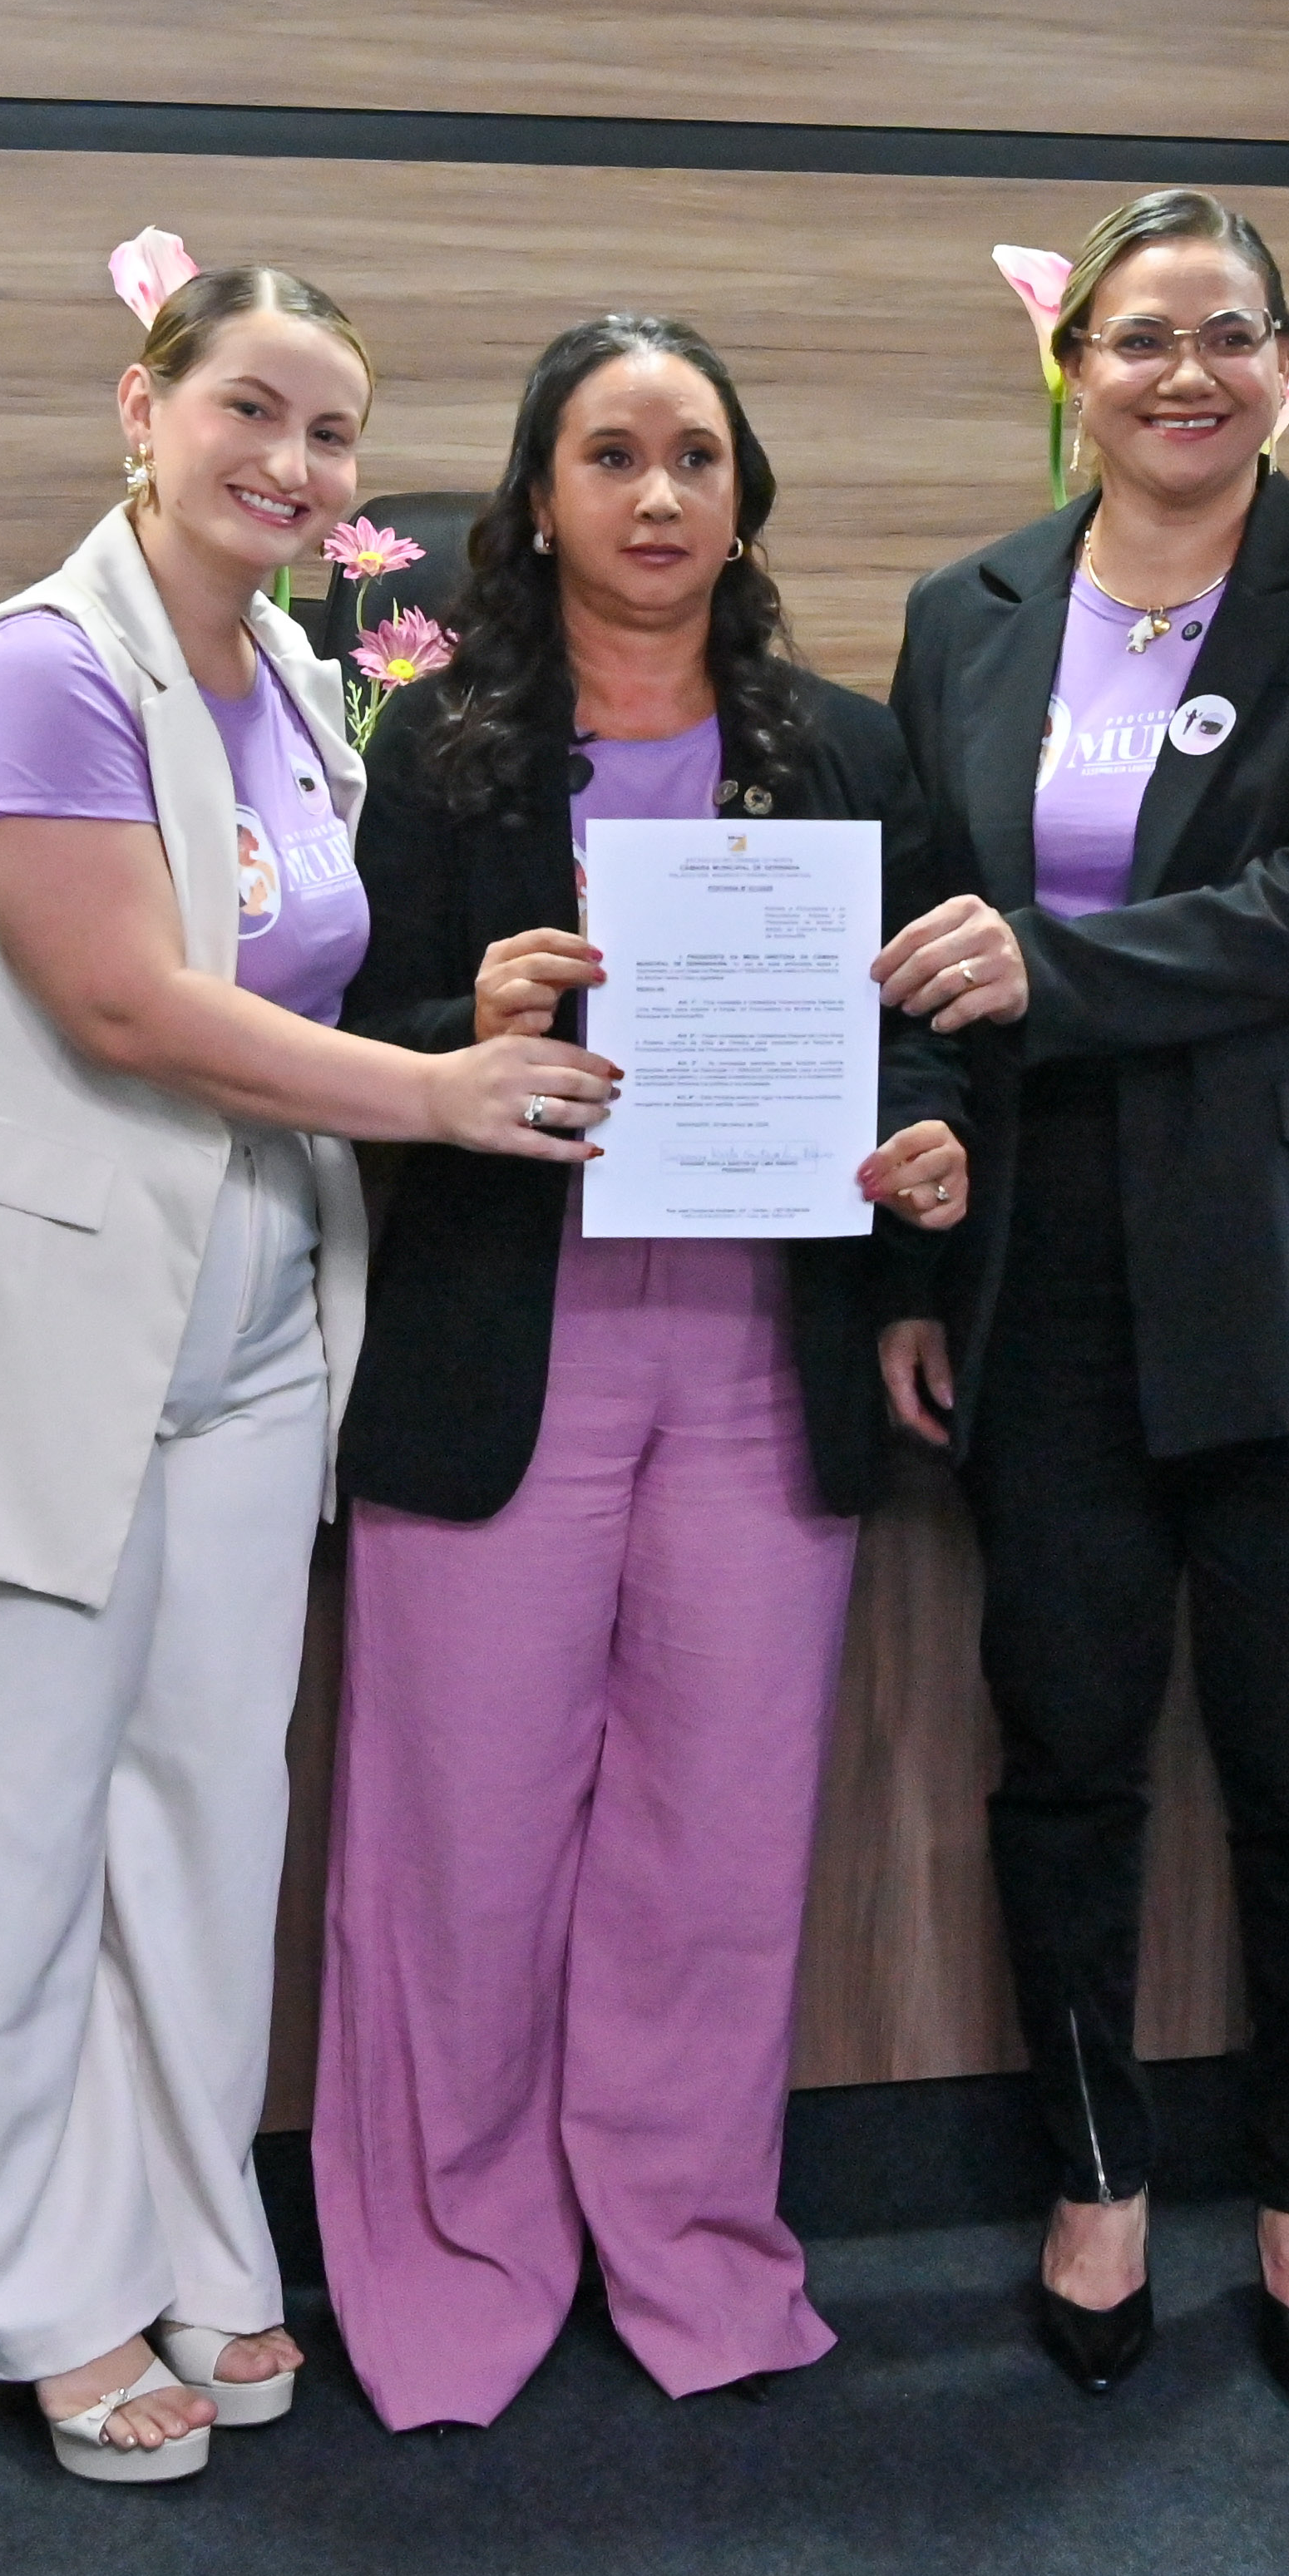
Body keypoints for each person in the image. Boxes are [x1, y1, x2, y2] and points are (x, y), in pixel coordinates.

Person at [0, 247, 614, 2488]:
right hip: (35, 1352)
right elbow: (130, 1006)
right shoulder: (38, 667)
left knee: (205, 1825)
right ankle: (30, 2292)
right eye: (250, 405)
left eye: (332, 431)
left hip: (247, 1348)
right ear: (141, 409)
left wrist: (461, 1016)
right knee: (18, 1844)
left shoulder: (299, 681)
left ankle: (190, 2236)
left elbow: (300, 988)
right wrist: (436, 1096)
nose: (293, 461)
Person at [315, 312, 990, 2430]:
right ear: (537, 500)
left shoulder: (844, 750)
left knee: (719, 1841)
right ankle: (453, 2257)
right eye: (611, 453)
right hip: (503, 1349)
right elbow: (342, 1044)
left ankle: (691, 2242)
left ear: (745, 498)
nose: (659, 492)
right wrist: (464, 1020)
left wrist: (923, 1163)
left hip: (763, 1357)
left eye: (697, 453)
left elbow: (917, 1030)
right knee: (461, 1840)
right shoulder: (443, 754)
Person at [873, 187, 1289, 2411]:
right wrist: (917, 1238)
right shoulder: (966, 614)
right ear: (1075, 370)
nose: (1185, 372)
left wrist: (1057, 967)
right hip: (1042, 1273)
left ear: (1286, 367)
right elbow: (924, 947)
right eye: (1141, 336)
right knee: (1066, 1752)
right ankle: (1098, 2169)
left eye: (1230, 333)